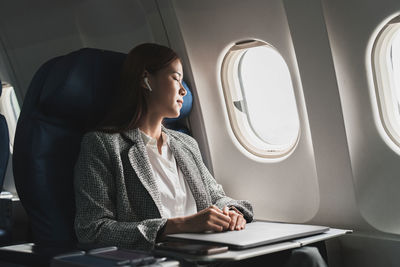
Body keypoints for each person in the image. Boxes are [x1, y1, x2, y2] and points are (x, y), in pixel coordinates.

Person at [73, 43, 327, 266]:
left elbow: (216, 197)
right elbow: (93, 230)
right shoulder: (103, 145)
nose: (184, 91)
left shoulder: (185, 144)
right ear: (145, 80)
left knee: (309, 256)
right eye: (175, 78)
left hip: (212, 253)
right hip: (161, 260)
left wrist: (231, 213)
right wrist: (178, 226)